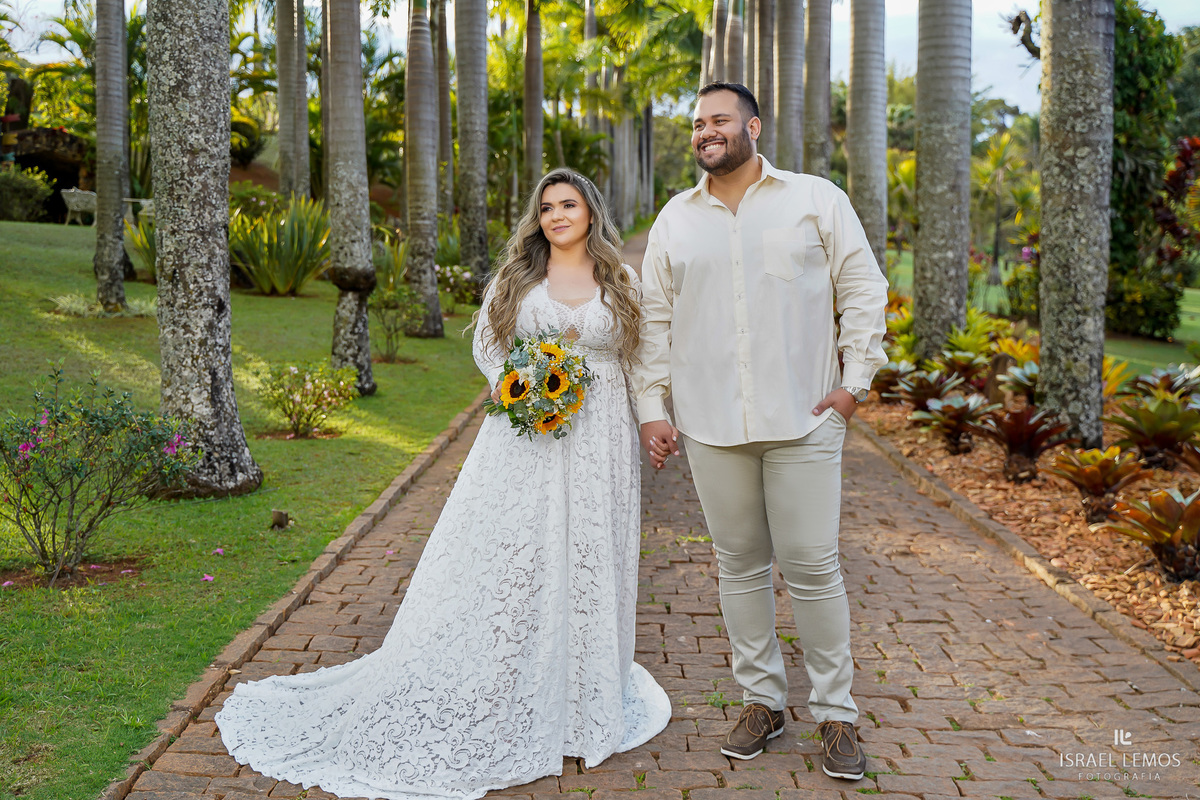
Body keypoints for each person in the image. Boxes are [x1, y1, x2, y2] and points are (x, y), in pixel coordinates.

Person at [215, 168, 671, 799]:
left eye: (568, 204)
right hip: (527, 437)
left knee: (592, 554)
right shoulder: (519, 279)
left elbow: (641, 357)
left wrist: (653, 419)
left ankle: (582, 693)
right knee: (518, 555)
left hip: (602, 442)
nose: (557, 216)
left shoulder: (621, 282)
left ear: (591, 212)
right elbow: (489, 345)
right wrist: (526, 381)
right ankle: (507, 677)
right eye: (546, 208)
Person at [631, 82, 888, 776]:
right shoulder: (675, 221)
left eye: (718, 120)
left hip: (803, 418)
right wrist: (653, 409)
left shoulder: (815, 199)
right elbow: (653, 322)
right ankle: (763, 702)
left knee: (811, 565)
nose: (705, 131)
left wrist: (853, 385)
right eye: (696, 123)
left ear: (752, 125)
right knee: (739, 567)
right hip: (712, 422)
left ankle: (837, 715)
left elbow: (863, 288)